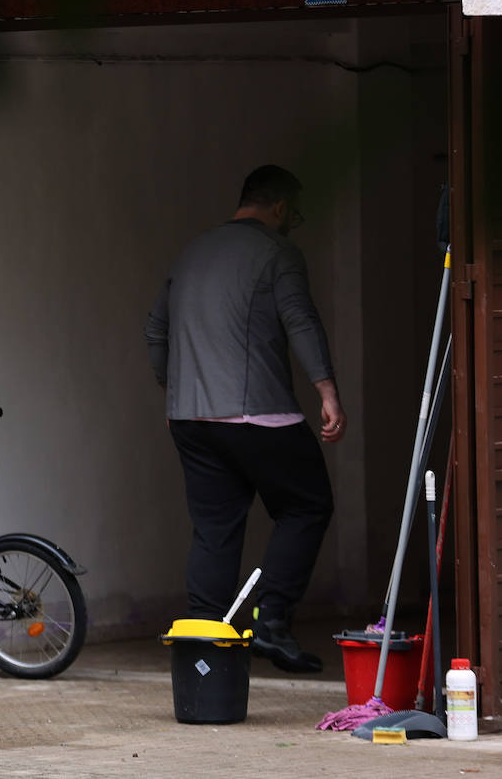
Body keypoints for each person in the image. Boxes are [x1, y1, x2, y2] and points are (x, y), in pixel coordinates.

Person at [144, 165, 346, 674]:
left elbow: (155, 330)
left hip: (191, 419)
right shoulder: (279, 253)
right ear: (279, 208)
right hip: (257, 415)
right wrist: (327, 390)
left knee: (214, 528)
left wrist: (175, 394)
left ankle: (205, 649)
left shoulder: (190, 252)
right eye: (293, 213)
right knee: (307, 504)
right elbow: (301, 319)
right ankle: (270, 620)